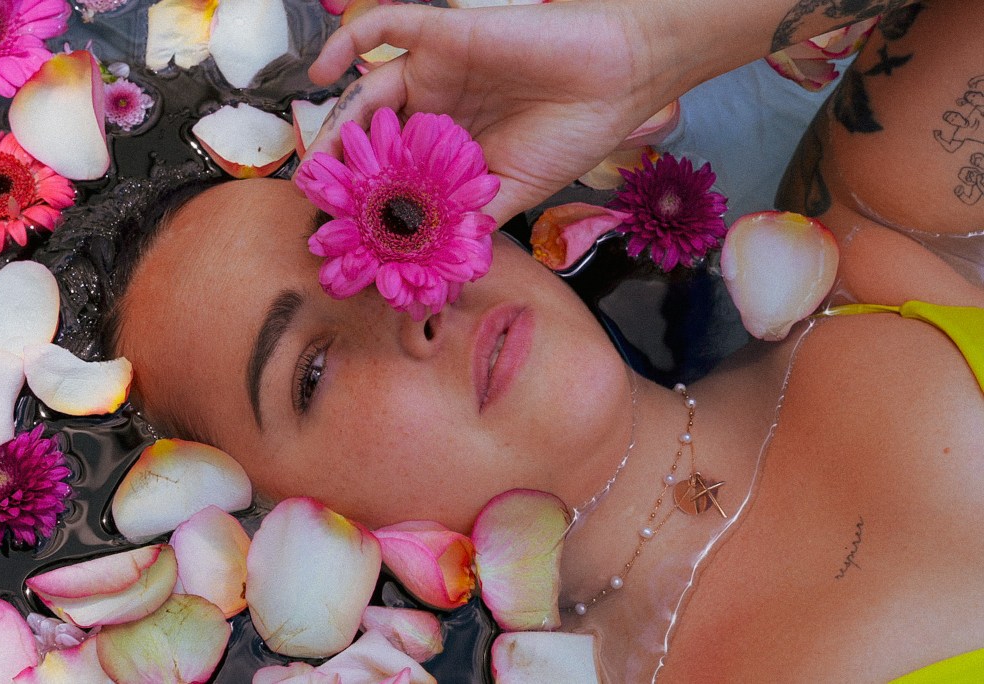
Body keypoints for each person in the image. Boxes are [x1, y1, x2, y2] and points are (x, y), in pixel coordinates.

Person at [102, 0, 984, 680]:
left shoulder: (874, 249)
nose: (412, 300)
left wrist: (649, 49)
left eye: (388, 222)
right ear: (275, 543)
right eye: (314, 369)